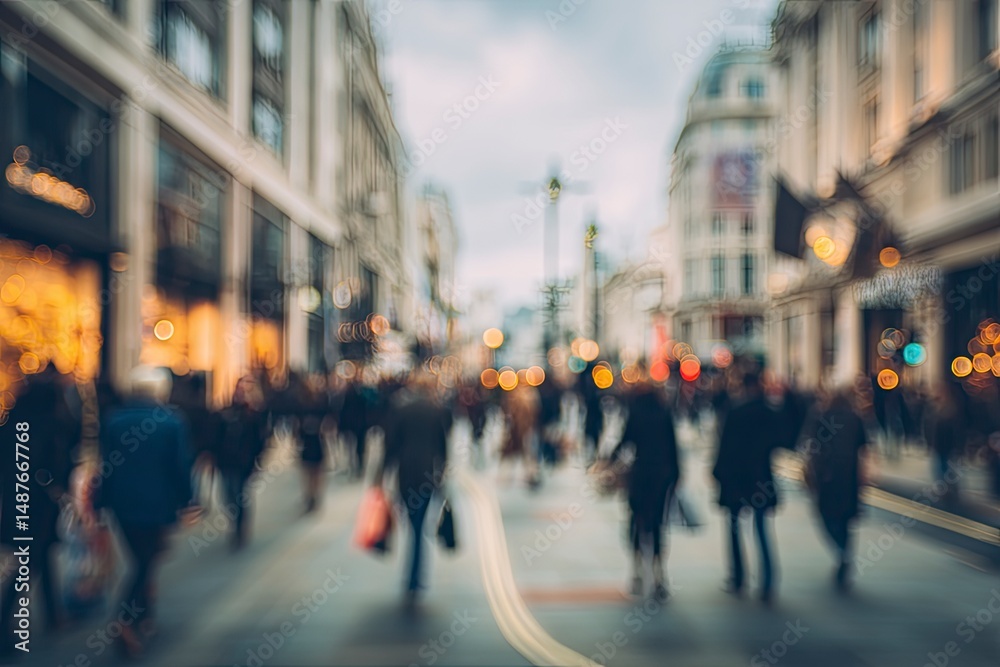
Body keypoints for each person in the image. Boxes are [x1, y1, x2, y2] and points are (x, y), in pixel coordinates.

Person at [94, 366, 197, 657]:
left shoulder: (113, 420)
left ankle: (142, 614)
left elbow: (107, 465)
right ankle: (124, 619)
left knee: (142, 559)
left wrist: (101, 502)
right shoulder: (171, 422)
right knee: (145, 562)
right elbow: (180, 466)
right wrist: (188, 499)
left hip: (122, 505)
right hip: (158, 504)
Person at [1, 368, 77, 655]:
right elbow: (57, 466)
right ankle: (4, 625)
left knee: (40, 557)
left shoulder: (11, 424)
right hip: (39, 506)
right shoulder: (50, 426)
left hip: (17, 502)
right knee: (29, 562)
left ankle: (55, 614)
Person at [379, 370, 452, 603]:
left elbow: (390, 446)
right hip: (427, 475)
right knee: (419, 526)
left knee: (412, 523)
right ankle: (415, 576)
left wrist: (381, 475)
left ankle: (411, 575)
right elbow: (443, 448)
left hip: (405, 474)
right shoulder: (436, 410)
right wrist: (442, 475)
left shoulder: (401, 409)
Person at [610, 366, 679, 601]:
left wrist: (608, 460)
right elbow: (673, 447)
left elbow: (625, 441)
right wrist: (676, 476)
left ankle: (637, 573)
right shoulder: (664, 412)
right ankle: (660, 577)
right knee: (659, 525)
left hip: (641, 474)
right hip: (662, 474)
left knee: (637, 521)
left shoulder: (636, 412)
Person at [712, 370, 779, 603]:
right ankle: (768, 581)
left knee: (733, 527)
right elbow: (781, 441)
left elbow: (725, 446)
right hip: (760, 478)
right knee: (761, 530)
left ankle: (738, 576)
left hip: (736, 479)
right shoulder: (769, 413)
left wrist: (717, 473)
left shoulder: (735, 412)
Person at [799, 387, 868, 591]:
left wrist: (810, 472)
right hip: (849, 476)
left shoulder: (822, 416)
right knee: (846, 519)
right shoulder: (856, 418)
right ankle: (845, 553)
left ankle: (840, 551)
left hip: (827, 476)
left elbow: (812, 446)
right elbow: (863, 449)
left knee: (826, 516)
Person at [215, 375, 269, 549]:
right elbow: (216, 436)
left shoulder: (254, 415)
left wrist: (256, 461)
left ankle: (239, 528)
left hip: (242, 462)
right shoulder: (225, 412)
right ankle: (235, 524)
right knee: (228, 495)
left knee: (239, 494)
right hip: (225, 461)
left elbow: (259, 441)